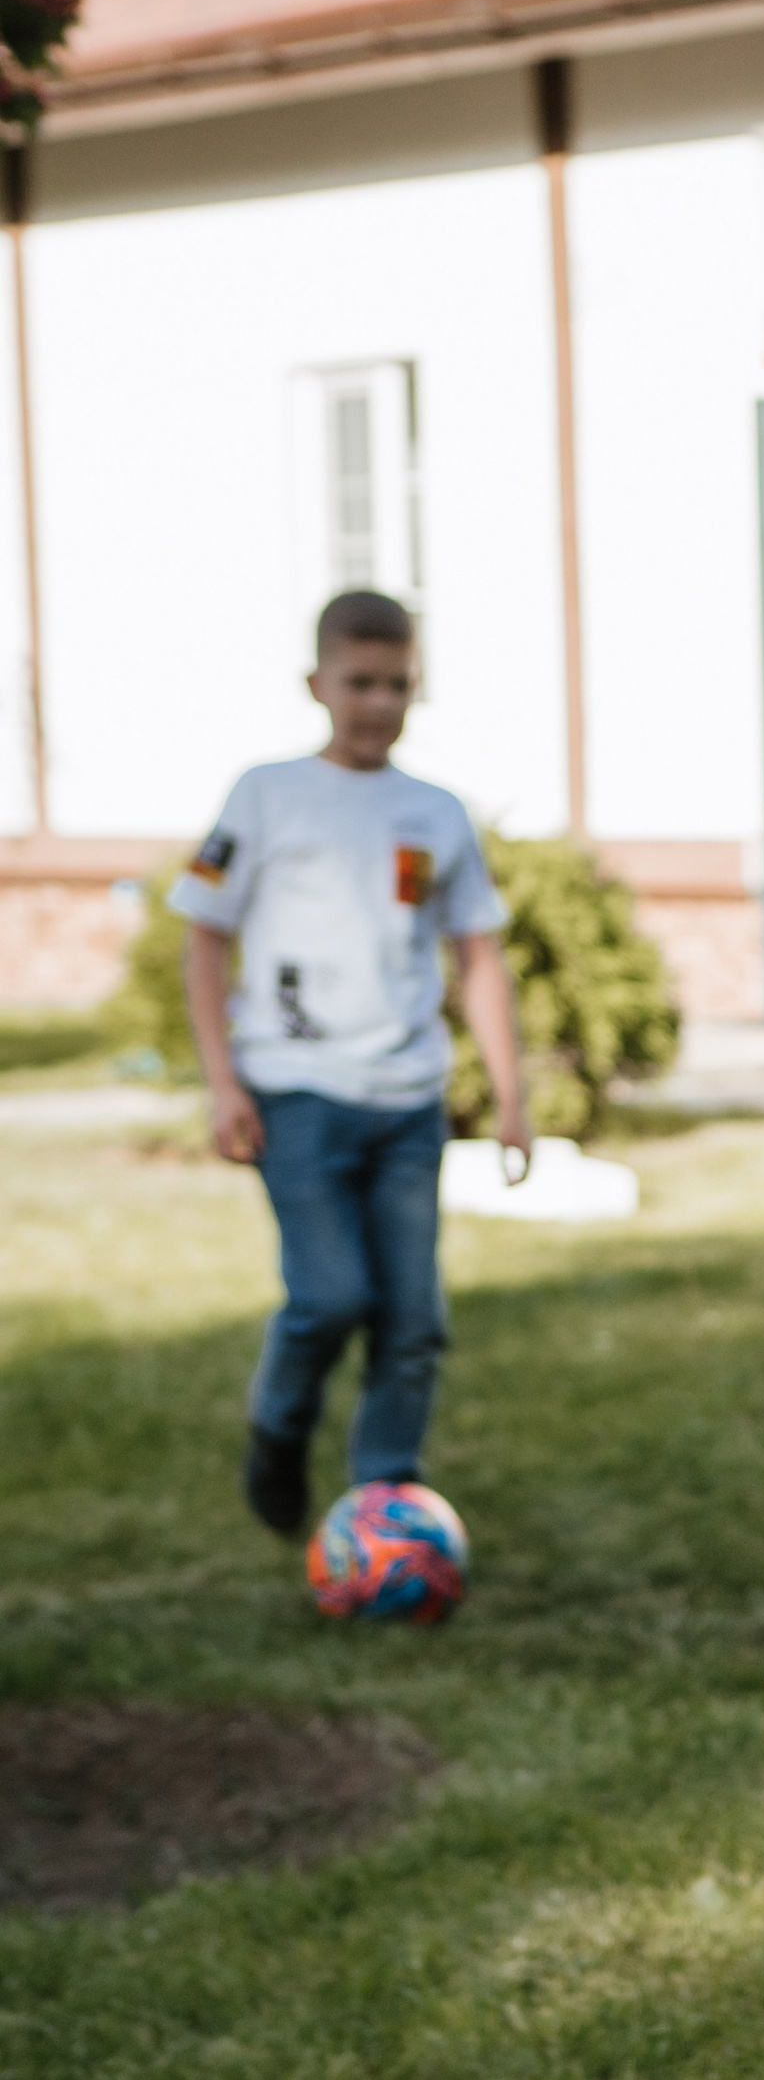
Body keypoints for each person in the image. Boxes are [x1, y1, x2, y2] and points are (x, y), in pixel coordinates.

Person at [172, 589, 529, 1537]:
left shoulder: (436, 812)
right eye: (359, 682)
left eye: (397, 684)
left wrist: (511, 1095)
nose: (377, 702)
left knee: (412, 1322)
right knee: (330, 1297)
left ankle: (383, 1502)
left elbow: (477, 956)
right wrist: (223, 1083)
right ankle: (277, 1428)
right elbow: (205, 938)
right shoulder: (265, 795)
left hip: (407, 1102)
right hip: (295, 1094)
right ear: (317, 683)